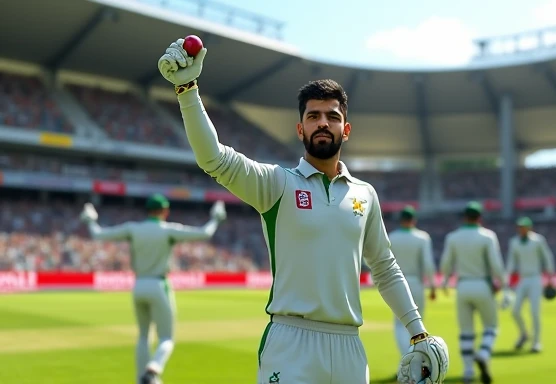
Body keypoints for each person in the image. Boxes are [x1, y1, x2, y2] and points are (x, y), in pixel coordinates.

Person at [157, 38, 449, 384]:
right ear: (300, 129)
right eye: (313, 116)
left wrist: (418, 332)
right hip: (290, 341)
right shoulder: (277, 184)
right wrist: (187, 90)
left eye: (332, 116)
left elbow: (385, 268)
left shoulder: (365, 195)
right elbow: (214, 158)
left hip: (349, 347)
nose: (323, 123)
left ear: (346, 129)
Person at [79, 194, 227, 384]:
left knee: (143, 336)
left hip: (139, 285)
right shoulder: (168, 230)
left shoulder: (133, 228)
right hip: (159, 284)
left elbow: (97, 234)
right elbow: (205, 233)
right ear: (165, 211)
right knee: (166, 338)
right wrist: (216, 218)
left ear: (147, 210)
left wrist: (91, 219)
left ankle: (142, 379)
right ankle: (154, 368)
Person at [439, 201, 508, 384]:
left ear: (464, 217)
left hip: (462, 286)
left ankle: (468, 371)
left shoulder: (453, 237)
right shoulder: (487, 236)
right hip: (482, 285)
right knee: (491, 327)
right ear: (480, 217)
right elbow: (496, 264)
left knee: (466, 332)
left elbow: (446, 263)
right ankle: (484, 354)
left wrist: (445, 281)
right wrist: (504, 285)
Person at [388, 206, 437, 360]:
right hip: (416, 283)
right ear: (413, 220)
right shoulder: (422, 237)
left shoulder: (392, 237)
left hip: (396, 283)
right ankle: (415, 360)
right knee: (417, 324)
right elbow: (428, 264)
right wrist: (432, 286)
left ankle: (407, 359)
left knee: (400, 324)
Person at [506, 216, 556, 353]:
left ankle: (536, 342)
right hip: (523, 279)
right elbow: (511, 261)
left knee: (535, 312)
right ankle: (524, 334)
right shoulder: (514, 242)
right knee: (515, 311)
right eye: (519, 227)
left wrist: (550, 276)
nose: (521, 229)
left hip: (535, 278)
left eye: (523, 227)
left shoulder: (538, 240)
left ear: (529, 228)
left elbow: (547, 257)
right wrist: (507, 277)